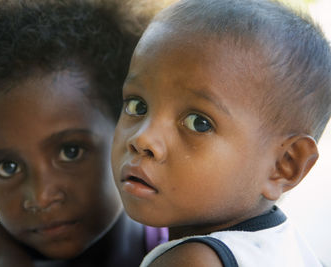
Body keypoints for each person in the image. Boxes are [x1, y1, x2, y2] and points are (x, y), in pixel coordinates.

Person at [0, 0, 168, 266]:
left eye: (71, 152)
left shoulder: (198, 251)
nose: (41, 197)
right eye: (7, 167)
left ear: (129, 128)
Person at [110, 0, 331, 266]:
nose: (143, 139)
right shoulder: (294, 250)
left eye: (198, 123)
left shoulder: (192, 260)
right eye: (137, 105)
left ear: (283, 165)